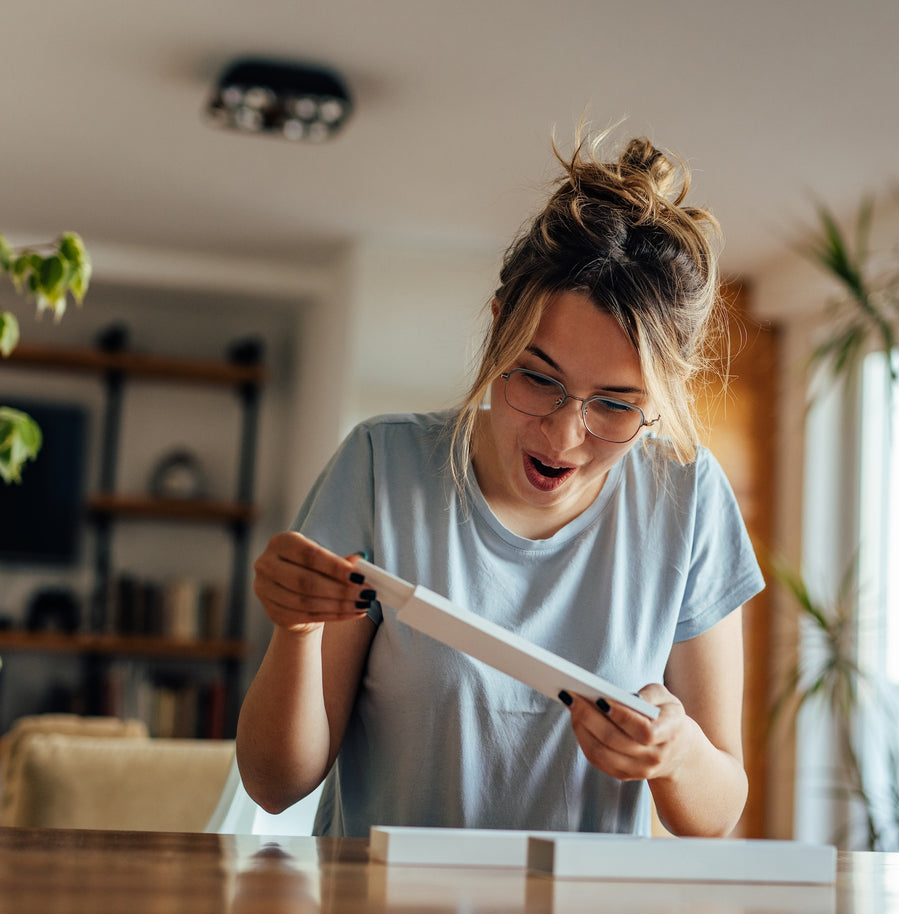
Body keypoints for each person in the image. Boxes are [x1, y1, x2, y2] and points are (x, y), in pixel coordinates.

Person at [237, 129, 764, 838]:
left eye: (614, 404)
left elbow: (717, 811)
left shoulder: (687, 497)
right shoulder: (379, 467)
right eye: (538, 378)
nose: (563, 434)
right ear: (496, 334)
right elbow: (275, 785)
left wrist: (675, 754)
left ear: (660, 401)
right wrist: (296, 631)